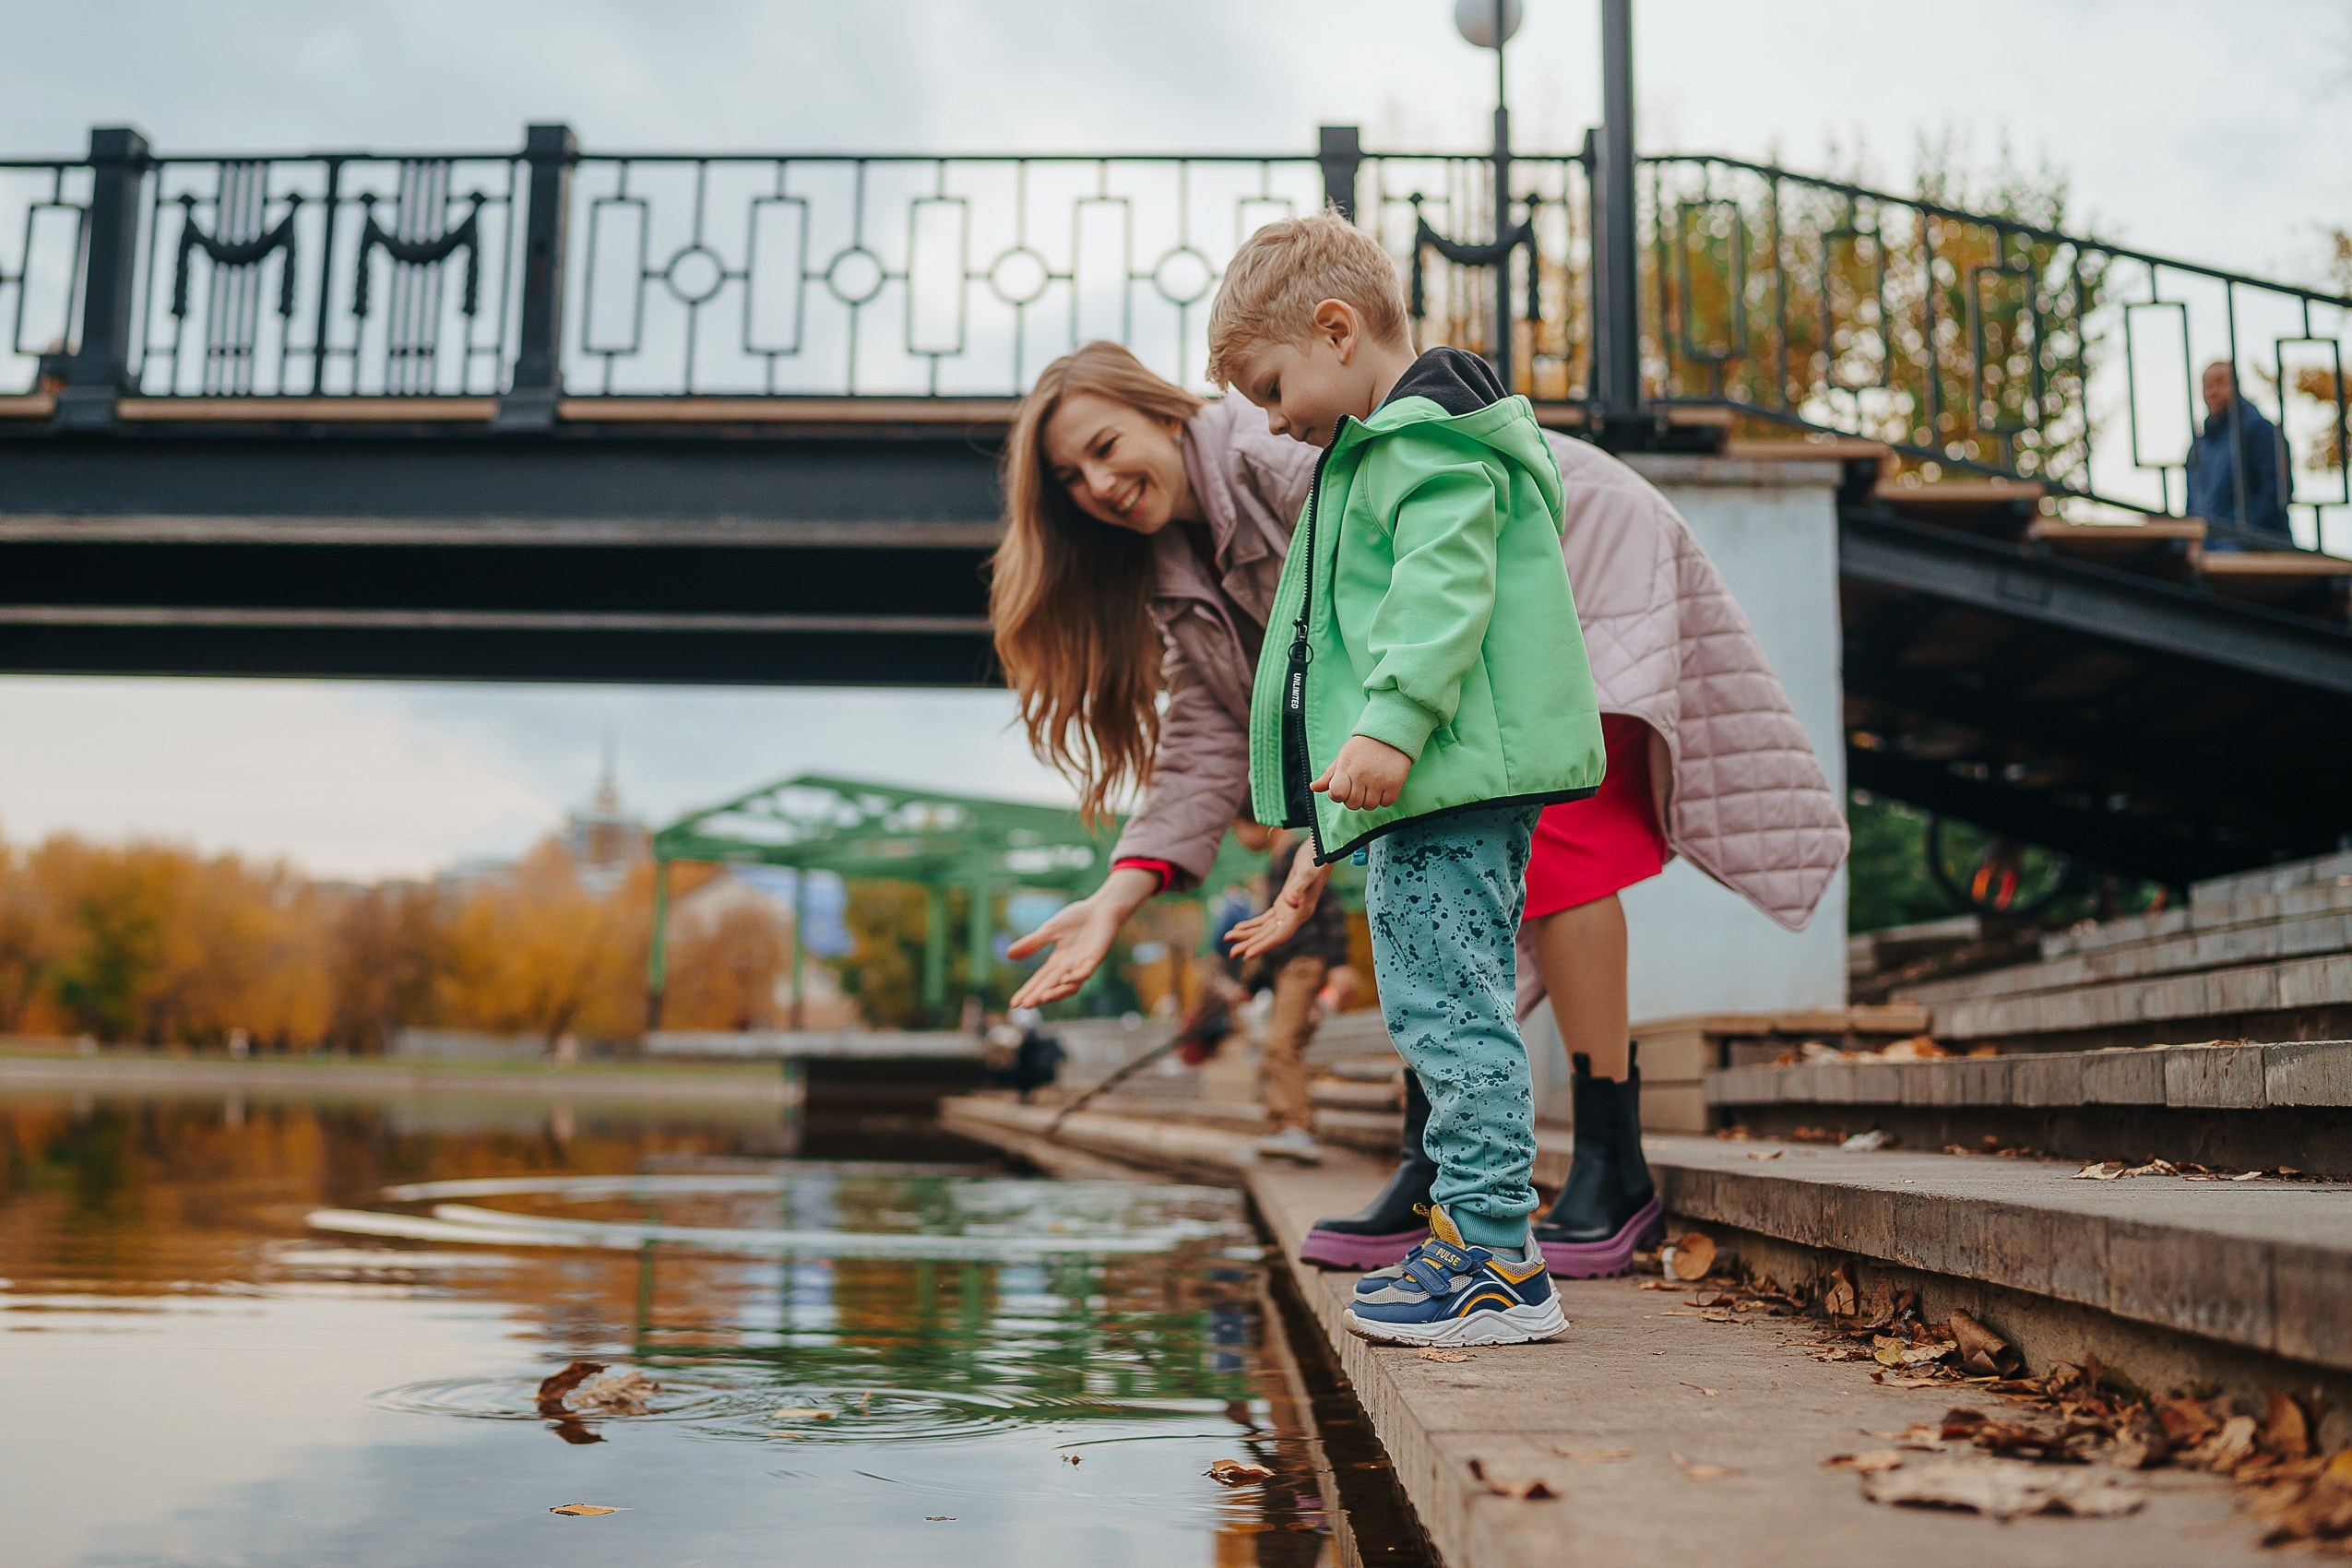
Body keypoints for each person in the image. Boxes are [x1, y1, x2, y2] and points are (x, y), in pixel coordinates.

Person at [994, 323, 1842, 1282]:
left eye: (1103, 448)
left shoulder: (1278, 447)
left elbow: (1418, 584)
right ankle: (1436, 1162)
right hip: (1439, 626)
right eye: (1071, 479)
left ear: (1158, 408)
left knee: (1560, 844)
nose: (1097, 486)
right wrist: (1119, 894)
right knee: (1419, 878)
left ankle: (1614, 1160)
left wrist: (1343, 806)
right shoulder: (1180, 565)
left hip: (1552, 547)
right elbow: (1206, 734)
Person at [1234, 824, 1351, 1165]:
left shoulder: (1296, 855)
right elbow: (1275, 936)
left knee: (1281, 1045)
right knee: (1279, 1047)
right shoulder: (1276, 863)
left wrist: (1339, 964)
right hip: (1286, 968)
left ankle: (1296, 1127)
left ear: (1257, 822)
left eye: (1236, 829)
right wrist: (1252, 987)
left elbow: (1328, 907)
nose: (1237, 838)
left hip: (1304, 963)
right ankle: (1280, 1126)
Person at [2186, 361, 2292, 549]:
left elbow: (2275, 492)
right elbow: (2192, 506)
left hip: (2254, 545)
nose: (2212, 392)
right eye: (2207, 386)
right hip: (2209, 545)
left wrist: (2237, 533)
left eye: (2220, 383)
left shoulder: (2258, 430)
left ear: (2236, 386)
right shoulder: (2198, 448)